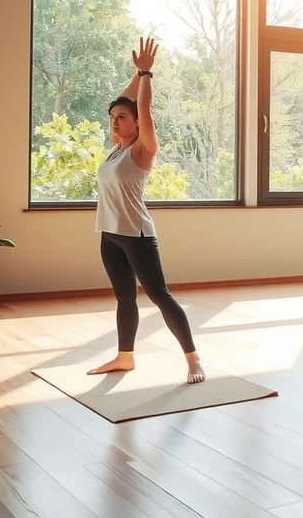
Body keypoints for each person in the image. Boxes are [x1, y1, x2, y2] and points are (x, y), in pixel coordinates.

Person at [87, 37, 206, 384]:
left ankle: (193, 359)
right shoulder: (114, 149)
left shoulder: (142, 150)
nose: (114, 120)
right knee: (125, 296)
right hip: (110, 235)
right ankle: (125, 357)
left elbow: (142, 108)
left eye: (121, 118)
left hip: (137, 236)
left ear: (136, 123)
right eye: (112, 117)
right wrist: (134, 75)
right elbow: (126, 102)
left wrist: (146, 73)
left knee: (159, 295)